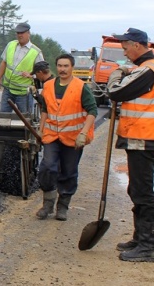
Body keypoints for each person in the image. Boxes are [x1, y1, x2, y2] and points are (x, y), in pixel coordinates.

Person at [107, 28, 154, 263]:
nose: (123, 51)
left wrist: (117, 72)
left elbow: (115, 92)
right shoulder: (145, 69)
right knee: (136, 189)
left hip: (145, 137)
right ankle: (139, 238)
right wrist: (125, 70)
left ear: (136, 45)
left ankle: (147, 247)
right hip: (141, 137)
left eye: (125, 47)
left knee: (142, 192)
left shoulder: (149, 71)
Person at [35, 54, 97, 221]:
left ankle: (62, 206)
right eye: (60, 66)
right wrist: (40, 130)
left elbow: (92, 111)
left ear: (72, 67)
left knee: (68, 172)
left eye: (66, 66)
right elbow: (45, 110)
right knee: (47, 167)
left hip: (73, 138)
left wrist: (83, 133)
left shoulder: (81, 87)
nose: (62, 69)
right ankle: (47, 204)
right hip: (51, 136)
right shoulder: (48, 86)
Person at [0, 22, 44, 113]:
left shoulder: (36, 52)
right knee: (3, 117)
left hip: (24, 94)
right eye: (18, 33)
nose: (19, 35)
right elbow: (4, 62)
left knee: (26, 120)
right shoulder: (11, 45)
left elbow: (43, 73)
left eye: (22, 33)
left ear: (28, 33)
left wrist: (31, 75)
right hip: (8, 90)